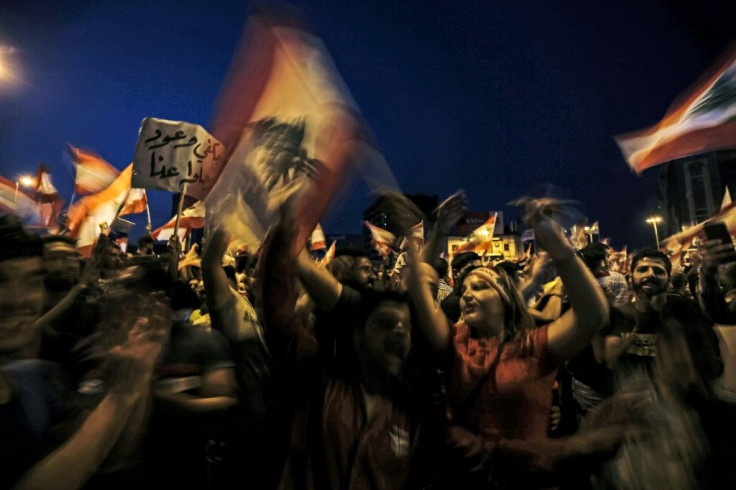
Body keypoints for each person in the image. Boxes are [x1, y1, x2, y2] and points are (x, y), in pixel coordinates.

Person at [407, 199, 610, 488]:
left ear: (505, 300)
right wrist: (439, 232)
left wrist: (557, 245)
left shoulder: (534, 346)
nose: (466, 295)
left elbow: (593, 316)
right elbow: (418, 281)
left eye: (479, 287)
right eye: (464, 289)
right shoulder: (455, 343)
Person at [0, 215, 170, 490]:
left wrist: (135, 375)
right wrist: (121, 395)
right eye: (1, 281)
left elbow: (95, 454)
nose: (18, 299)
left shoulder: (33, 380)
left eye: (31, 282)